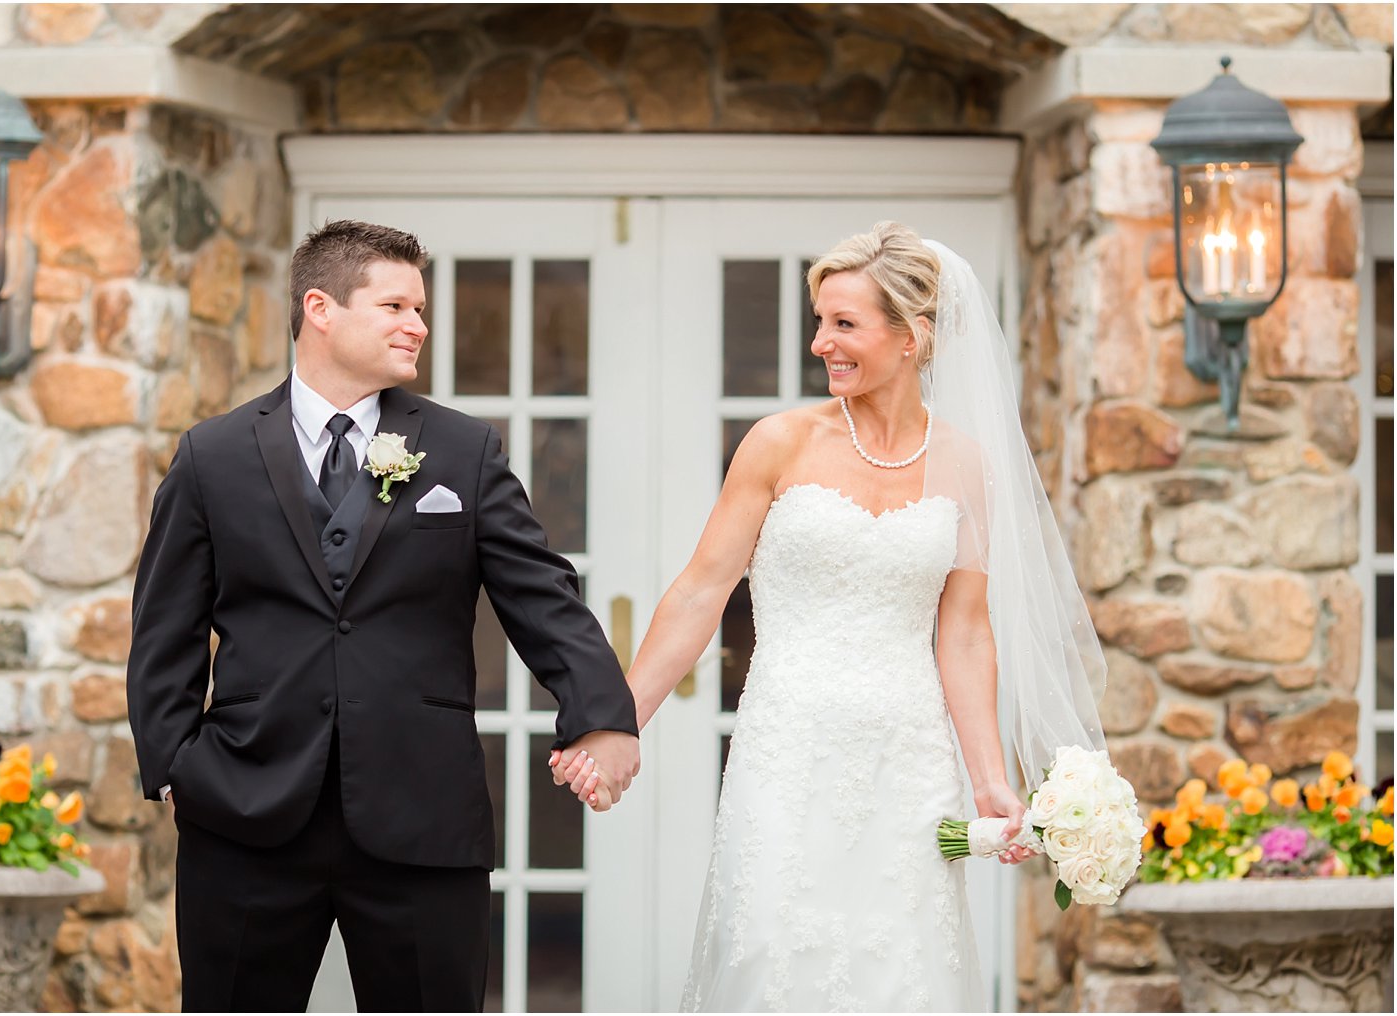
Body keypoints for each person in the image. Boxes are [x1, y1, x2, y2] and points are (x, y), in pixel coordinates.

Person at [552, 222, 1106, 1011]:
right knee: (777, 957)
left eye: (844, 324)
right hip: (789, 749)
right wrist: (616, 723)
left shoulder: (964, 464)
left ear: (913, 336)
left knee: (901, 972)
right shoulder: (780, 442)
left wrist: (989, 780)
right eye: (820, 321)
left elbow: (966, 631)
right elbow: (700, 592)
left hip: (909, 761)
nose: (821, 343)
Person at [127, 220, 639, 1013]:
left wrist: (602, 715)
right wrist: (176, 768)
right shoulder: (213, 455)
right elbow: (165, 627)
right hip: (245, 808)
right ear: (321, 308)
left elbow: (542, 595)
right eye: (396, 305)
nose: (419, 327)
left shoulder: (463, 450)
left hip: (422, 810)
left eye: (421, 308)